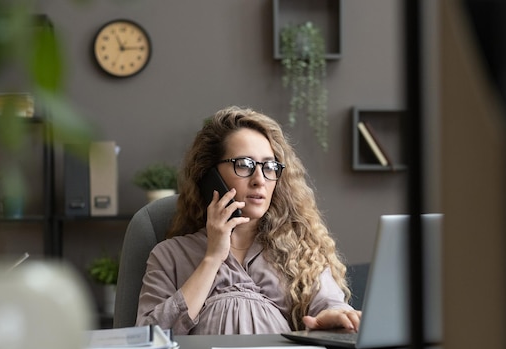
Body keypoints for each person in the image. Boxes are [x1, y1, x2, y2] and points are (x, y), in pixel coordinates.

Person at [135, 106, 361, 335]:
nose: (259, 180)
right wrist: (213, 258)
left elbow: (331, 306)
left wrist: (336, 316)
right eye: (244, 164)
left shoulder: (302, 254)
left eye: (270, 167)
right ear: (209, 175)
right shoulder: (170, 255)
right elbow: (148, 337)